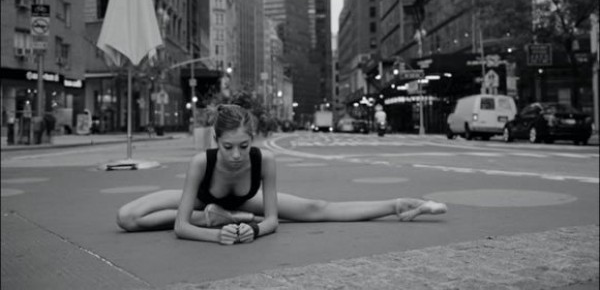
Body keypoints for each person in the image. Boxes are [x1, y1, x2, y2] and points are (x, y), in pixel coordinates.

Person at [116, 104, 448, 245]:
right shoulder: (200, 163)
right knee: (128, 217)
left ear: (253, 140)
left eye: (244, 146)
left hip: (246, 205)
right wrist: (215, 233)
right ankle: (216, 216)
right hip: (205, 202)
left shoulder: (266, 160)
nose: (236, 155)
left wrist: (253, 230)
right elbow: (180, 226)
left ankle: (400, 205)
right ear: (216, 141)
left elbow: (273, 220)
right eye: (228, 146)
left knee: (317, 208)